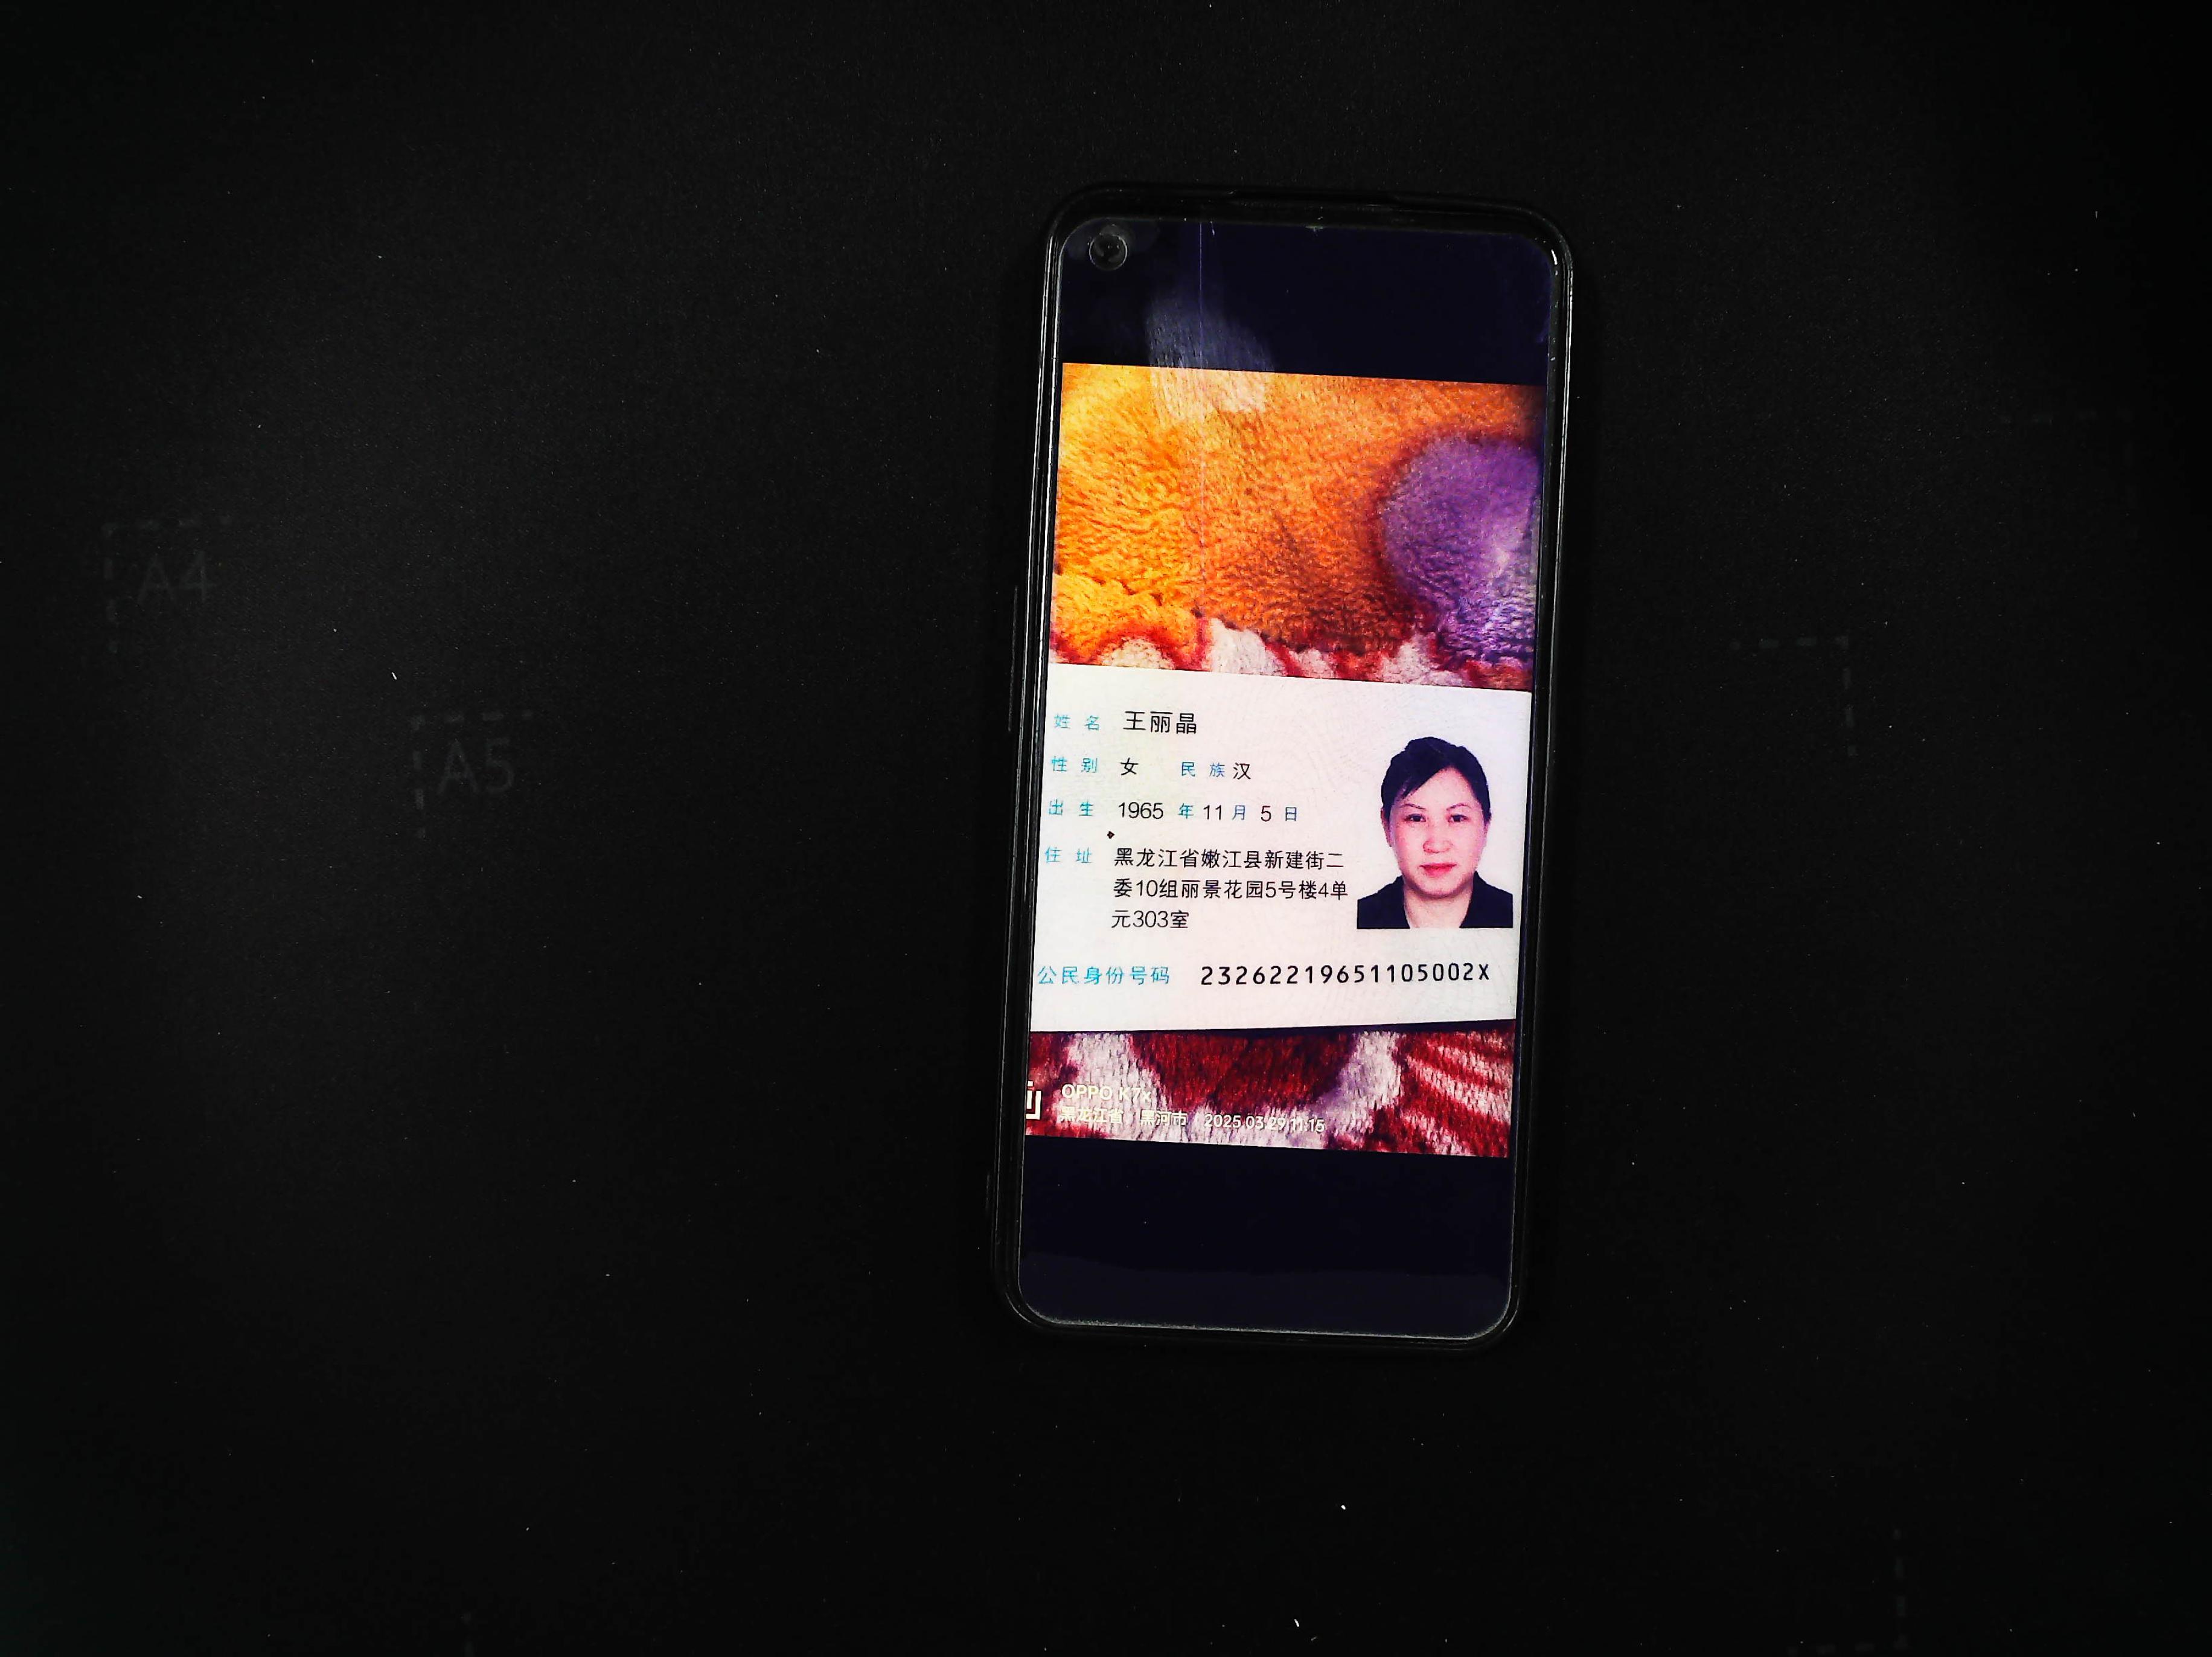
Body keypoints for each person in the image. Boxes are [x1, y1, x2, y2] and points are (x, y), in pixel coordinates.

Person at [1356, 737, 1513, 929]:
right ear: (1386, 825)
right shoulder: (1356, 920)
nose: (1437, 845)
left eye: (1457, 818)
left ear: (1486, 825)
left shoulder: (1520, 916)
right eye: (1416, 818)